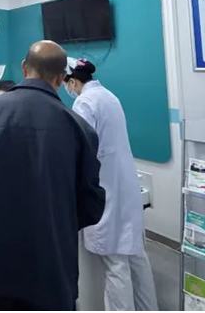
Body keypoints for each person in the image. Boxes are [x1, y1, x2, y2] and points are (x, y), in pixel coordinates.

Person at [0, 41, 106, 310]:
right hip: (50, 270)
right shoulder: (80, 129)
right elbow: (91, 205)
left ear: (24, 67)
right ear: (61, 78)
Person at [64, 58, 158, 311]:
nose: (67, 89)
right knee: (136, 257)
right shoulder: (109, 96)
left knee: (115, 263)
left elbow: (81, 148)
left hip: (106, 189)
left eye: (67, 84)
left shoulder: (84, 102)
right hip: (125, 187)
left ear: (73, 81)